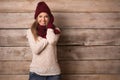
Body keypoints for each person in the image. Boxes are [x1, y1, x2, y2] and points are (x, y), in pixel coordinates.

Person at [26, 1, 61, 80]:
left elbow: (51, 41)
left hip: (54, 73)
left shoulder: (56, 30)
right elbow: (36, 50)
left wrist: (49, 28)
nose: (43, 19)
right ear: (37, 18)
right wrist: (47, 37)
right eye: (40, 16)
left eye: (46, 16)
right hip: (36, 73)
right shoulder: (30, 31)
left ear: (50, 18)